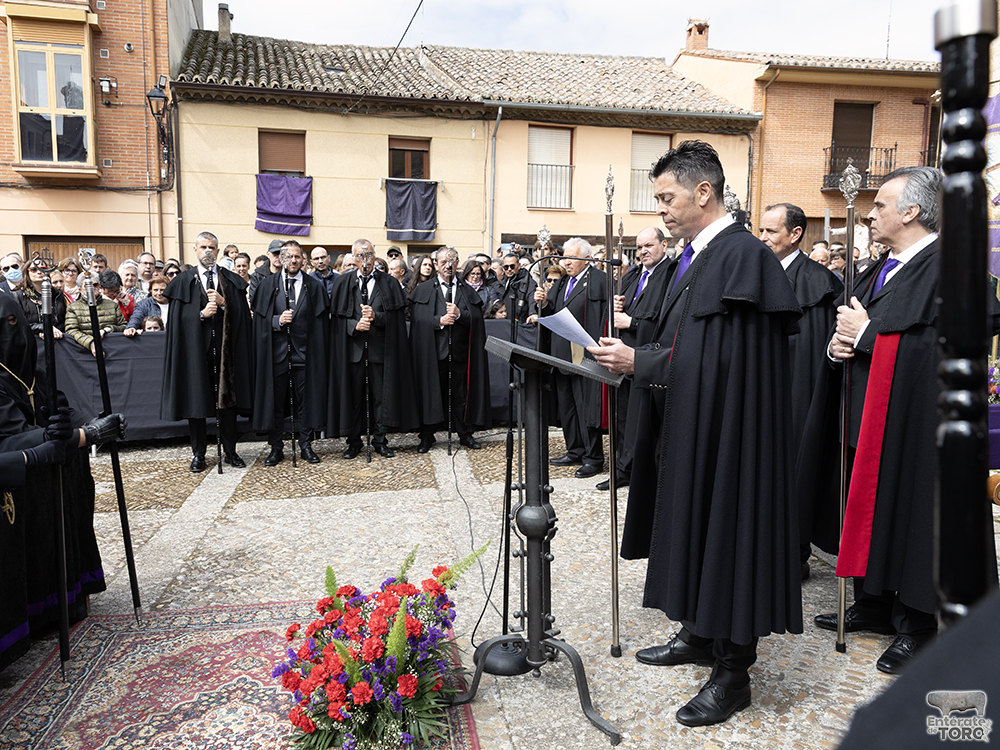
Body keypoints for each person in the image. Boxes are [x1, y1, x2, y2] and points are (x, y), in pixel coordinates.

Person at [589, 140, 802, 727]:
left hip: (732, 434)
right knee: (697, 525)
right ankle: (701, 633)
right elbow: (691, 343)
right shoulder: (702, 256)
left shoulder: (740, 257)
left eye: (667, 197)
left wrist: (643, 364)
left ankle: (734, 675)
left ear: (703, 192)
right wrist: (641, 354)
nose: (660, 209)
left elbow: (724, 361)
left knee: (728, 532)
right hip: (696, 422)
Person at [814, 166, 1000, 674]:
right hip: (875, 416)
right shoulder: (885, 266)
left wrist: (869, 333)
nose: (872, 214)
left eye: (881, 205)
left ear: (912, 211)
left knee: (921, 516)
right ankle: (875, 602)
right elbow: (865, 331)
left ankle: (918, 622)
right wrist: (841, 346)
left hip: (923, 425)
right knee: (877, 505)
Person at [759, 202, 844, 579]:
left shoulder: (817, 284)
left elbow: (813, 354)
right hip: (757, 391)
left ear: (795, 235)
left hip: (795, 394)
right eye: (760, 231)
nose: (762, 238)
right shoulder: (758, 272)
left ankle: (793, 554)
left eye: (770, 232)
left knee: (794, 471)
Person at [161, 231, 253, 472]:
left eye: (212, 247)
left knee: (228, 403)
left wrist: (225, 304)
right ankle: (199, 453)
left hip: (225, 354)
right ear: (195, 250)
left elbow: (244, 318)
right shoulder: (182, 282)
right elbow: (177, 322)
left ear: (218, 250)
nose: (208, 252)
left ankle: (231, 451)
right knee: (196, 402)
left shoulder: (231, 281)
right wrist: (201, 314)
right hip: (195, 354)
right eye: (203, 247)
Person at [329, 239, 418, 458]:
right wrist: (354, 325)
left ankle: (380, 439)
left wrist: (376, 317)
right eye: (360, 256)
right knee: (354, 398)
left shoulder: (388, 283)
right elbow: (336, 320)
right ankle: (353, 441)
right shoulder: (343, 283)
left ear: (374, 256)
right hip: (353, 351)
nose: (365, 260)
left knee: (381, 397)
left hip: (380, 350)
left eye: (368, 255)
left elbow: (396, 319)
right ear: (353, 258)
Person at [598, 226, 672, 491]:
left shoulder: (671, 275)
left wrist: (632, 322)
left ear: (664, 245)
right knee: (622, 415)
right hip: (623, 355)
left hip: (646, 357)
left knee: (640, 419)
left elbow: (666, 320)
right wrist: (617, 306)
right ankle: (623, 466)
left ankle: (636, 469)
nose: (643, 252)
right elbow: (619, 309)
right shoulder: (633, 276)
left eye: (648, 246)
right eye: (639, 247)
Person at [534, 238, 607, 479]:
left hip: (585, 353)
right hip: (562, 352)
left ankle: (593, 457)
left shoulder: (599, 280)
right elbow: (553, 308)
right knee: (567, 406)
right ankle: (574, 449)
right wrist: (543, 303)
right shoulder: (563, 280)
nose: (566, 261)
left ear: (586, 258)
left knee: (586, 406)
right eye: (565, 256)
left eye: (571, 258)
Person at [251, 240, 329, 466]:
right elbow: (260, 320)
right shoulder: (268, 285)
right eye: (289, 256)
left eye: (297, 256)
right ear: (282, 259)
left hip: (305, 355)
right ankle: (276, 447)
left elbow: (322, 322)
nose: (293, 260)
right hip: (276, 354)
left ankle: (305, 444)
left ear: (303, 259)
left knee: (306, 402)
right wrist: (277, 320)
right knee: (275, 402)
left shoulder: (314, 286)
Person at [409, 247, 491, 452]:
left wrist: (460, 314)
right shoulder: (424, 289)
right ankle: (427, 435)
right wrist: (439, 321)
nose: (448, 265)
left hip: (460, 354)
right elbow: (417, 320)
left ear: (458, 264)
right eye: (443, 262)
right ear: (436, 265)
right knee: (430, 394)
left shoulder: (466, 290)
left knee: (460, 395)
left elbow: (476, 320)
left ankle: (465, 434)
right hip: (433, 354)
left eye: (452, 261)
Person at [63, 270, 128, 355]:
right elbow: (71, 330)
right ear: (80, 289)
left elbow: (124, 326)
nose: (92, 288)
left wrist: (108, 329)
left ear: (99, 286)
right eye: (87, 285)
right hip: (84, 351)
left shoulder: (112, 305)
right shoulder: (73, 308)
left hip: (112, 350)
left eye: (95, 285)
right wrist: (90, 342)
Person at [14, 258, 67, 337]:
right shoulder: (18, 295)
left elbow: (65, 320)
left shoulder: (58, 294)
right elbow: (19, 323)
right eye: (34, 269)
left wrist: (54, 331)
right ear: (27, 272)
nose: (39, 272)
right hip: (32, 339)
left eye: (43, 269)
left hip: (59, 336)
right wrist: (44, 329)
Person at [248, 239, 283, 305]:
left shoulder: (290, 275)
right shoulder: (257, 276)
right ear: (268, 254)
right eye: (275, 253)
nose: (278, 257)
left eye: (281, 254)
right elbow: (254, 300)